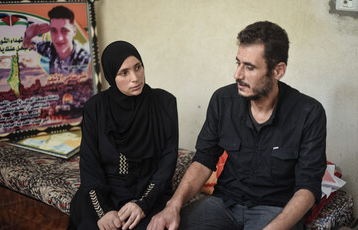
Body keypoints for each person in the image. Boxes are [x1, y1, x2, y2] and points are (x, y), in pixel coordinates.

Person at [147, 21, 327, 230]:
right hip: (224, 205)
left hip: (275, 212)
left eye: (249, 67)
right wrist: (173, 205)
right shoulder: (223, 100)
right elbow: (204, 159)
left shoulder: (309, 113)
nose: (237, 75)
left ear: (278, 71)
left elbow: (308, 187)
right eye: (238, 63)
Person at [67, 41, 179, 230]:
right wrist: (104, 211)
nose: (135, 78)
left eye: (138, 67)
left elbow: (167, 162)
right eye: (124, 73)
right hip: (104, 191)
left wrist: (143, 204)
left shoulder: (164, 103)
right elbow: (89, 164)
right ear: (112, 75)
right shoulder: (95, 108)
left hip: (149, 189)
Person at [22, 5, 90, 76]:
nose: (59, 38)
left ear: (74, 31)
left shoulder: (85, 60)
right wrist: (27, 37)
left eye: (64, 31)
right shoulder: (50, 48)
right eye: (54, 30)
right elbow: (27, 45)